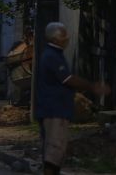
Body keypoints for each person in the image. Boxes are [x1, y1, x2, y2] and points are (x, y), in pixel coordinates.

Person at [35, 22, 110, 175]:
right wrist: (92, 86)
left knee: (55, 149)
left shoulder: (53, 54)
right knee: (54, 150)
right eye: (64, 36)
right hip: (54, 110)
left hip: (55, 109)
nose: (67, 39)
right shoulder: (52, 56)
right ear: (56, 39)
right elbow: (67, 79)